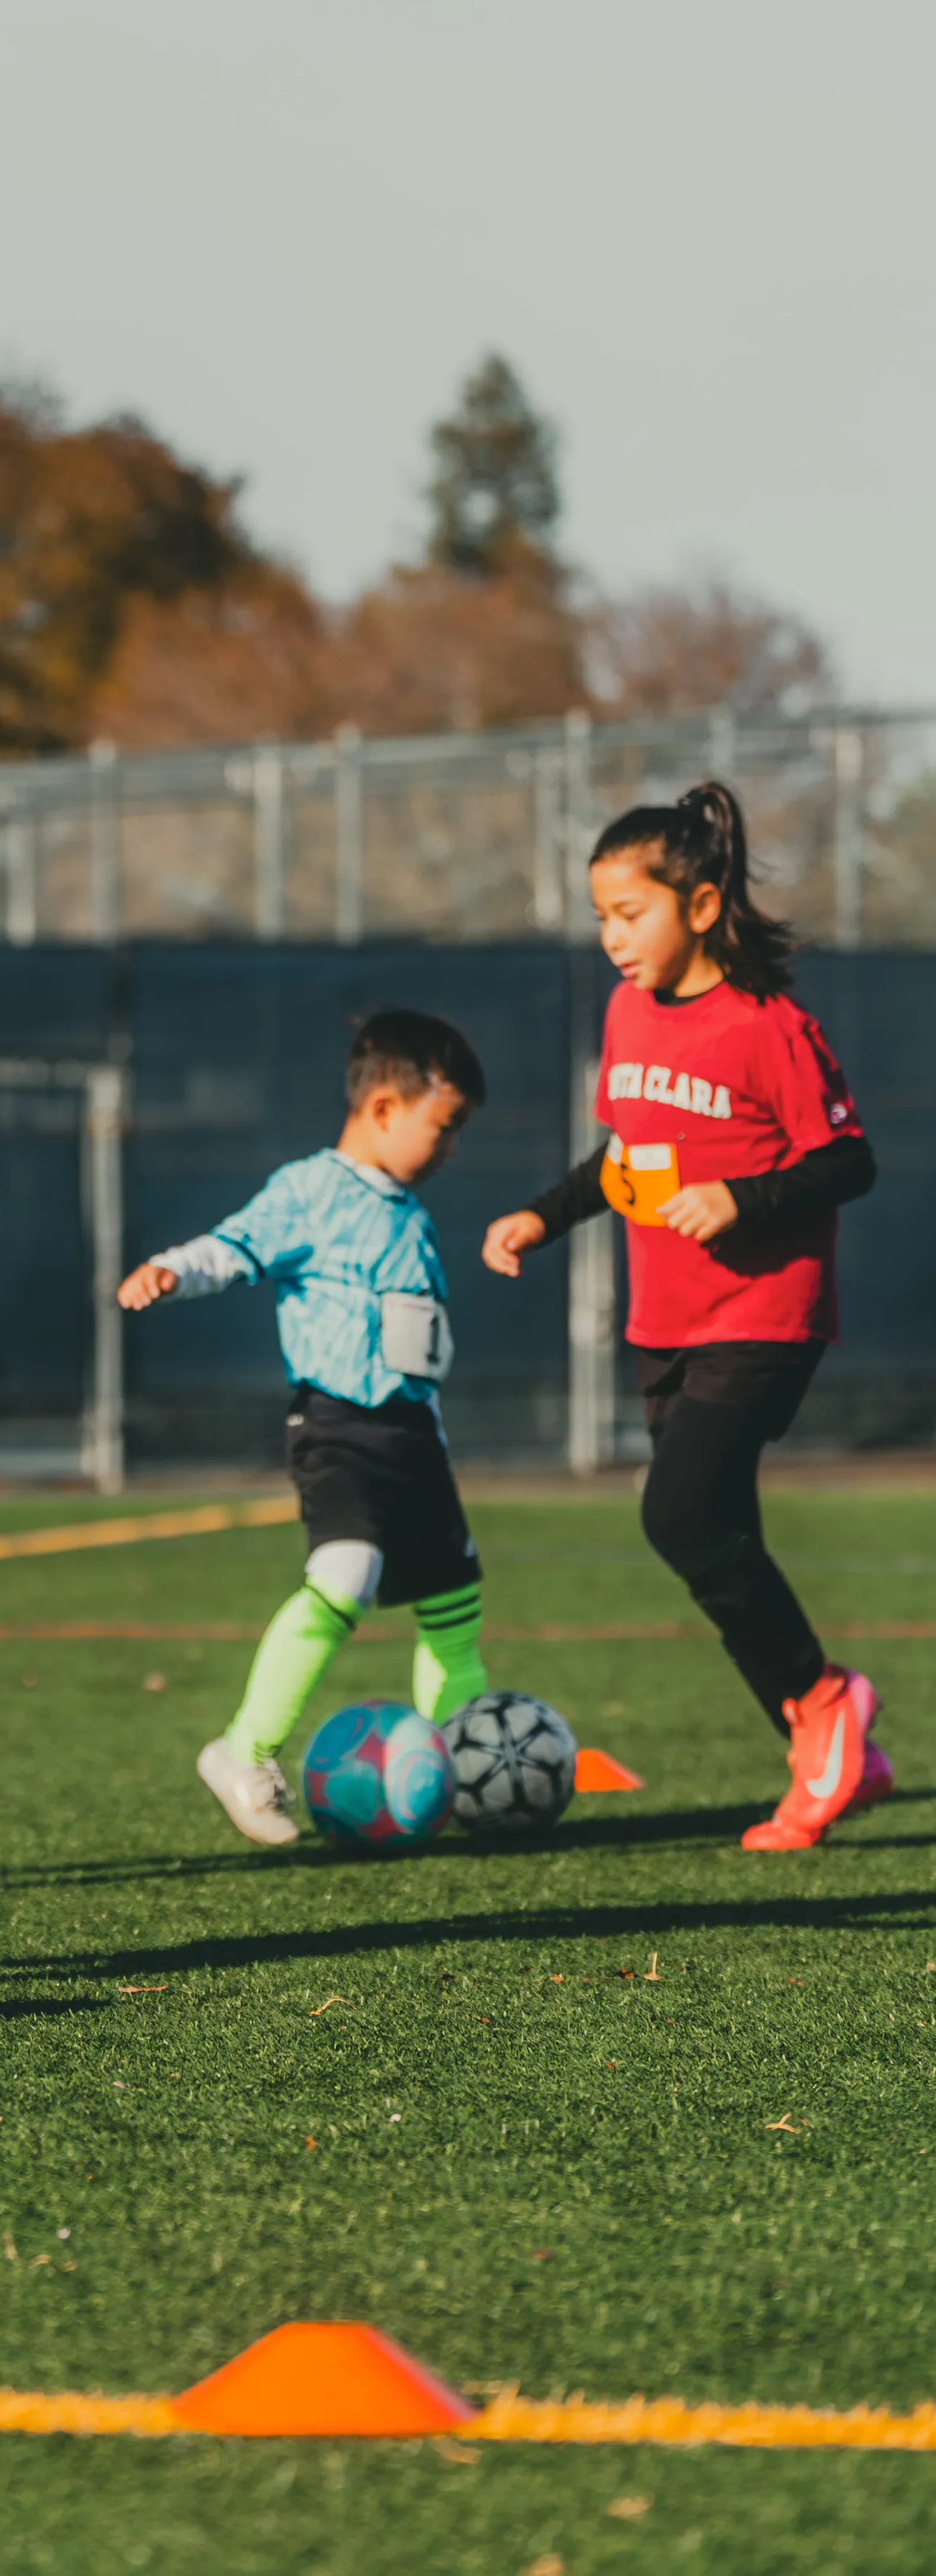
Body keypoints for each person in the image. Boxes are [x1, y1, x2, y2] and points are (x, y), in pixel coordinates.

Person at [483, 781, 882, 1850]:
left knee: (678, 1514)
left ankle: (829, 1703)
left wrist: (743, 1198)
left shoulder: (768, 1026)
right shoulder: (624, 1013)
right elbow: (624, 1158)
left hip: (762, 1312)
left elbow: (851, 1160)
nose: (611, 937)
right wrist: (541, 1212)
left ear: (701, 906)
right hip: (664, 1317)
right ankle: (835, 1747)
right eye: (601, 915)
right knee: (715, 1536)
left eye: (630, 913)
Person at [119, 1009, 489, 1846]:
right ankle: (240, 1749)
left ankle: (463, 1761)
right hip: (338, 1424)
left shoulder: (412, 1215)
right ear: (385, 1109)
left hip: (413, 1436)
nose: (451, 1146)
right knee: (347, 1571)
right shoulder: (311, 1188)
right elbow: (234, 1245)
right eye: (445, 1125)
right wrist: (172, 1269)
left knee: (453, 1606)